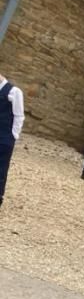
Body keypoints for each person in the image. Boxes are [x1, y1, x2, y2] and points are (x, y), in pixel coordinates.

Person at [0, 71, 25, 211]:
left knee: (1, 167)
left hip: (4, 137)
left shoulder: (14, 92)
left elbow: (19, 116)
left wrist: (13, 136)